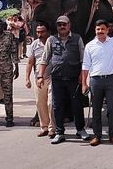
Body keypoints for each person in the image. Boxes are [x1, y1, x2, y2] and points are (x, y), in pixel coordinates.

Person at [37, 15, 90, 144]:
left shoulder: (77, 39)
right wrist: (40, 76)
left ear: (69, 25)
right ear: (57, 27)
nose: (62, 27)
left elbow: (83, 60)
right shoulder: (51, 39)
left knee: (77, 105)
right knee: (57, 106)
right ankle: (60, 132)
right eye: (59, 25)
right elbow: (45, 59)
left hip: (73, 79)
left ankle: (80, 130)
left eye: (64, 24)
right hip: (57, 79)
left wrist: (82, 78)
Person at [25, 21, 55, 138]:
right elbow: (30, 62)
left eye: (42, 32)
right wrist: (27, 78)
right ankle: (44, 127)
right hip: (39, 78)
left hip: (53, 77)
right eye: (38, 32)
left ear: (48, 32)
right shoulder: (34, 44)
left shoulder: (53, 42)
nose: (40, 34)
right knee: (40, 103)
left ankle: (53, 128)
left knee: (51, 103)